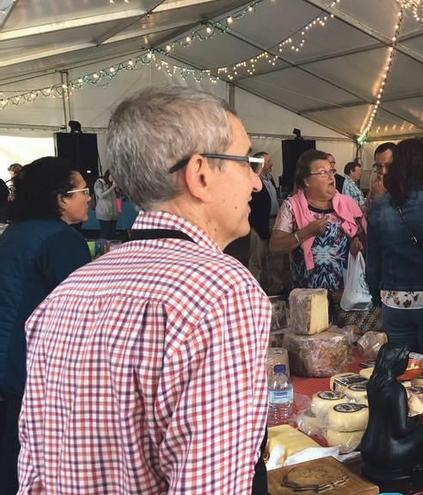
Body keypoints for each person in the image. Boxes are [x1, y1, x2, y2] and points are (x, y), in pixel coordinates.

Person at [17, 87, 271, 494]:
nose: (256, 184)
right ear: (200, 173)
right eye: (247, 162)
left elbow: (33, 469)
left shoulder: (68, 292)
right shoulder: (221, 291)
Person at [0, 157, 91, 494]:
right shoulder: (61, 240)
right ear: (60, 198)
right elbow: (82, 312)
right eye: (82, 191)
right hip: (30, 364)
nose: (89, 197)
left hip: (10, 357)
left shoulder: (17, 231)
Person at [366, 137, 423, 359]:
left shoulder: (381, 205)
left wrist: (377, 296)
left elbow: (372, 259)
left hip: (393, 298)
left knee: (401, 367)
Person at [270, 150, 365, 304]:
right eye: (323, 172)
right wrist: (305, 233)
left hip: (343, 294)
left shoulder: (347, 204)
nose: (331, 177)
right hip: (307, 297)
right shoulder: (291, 206)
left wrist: (357, 242)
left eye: (331, 171)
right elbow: (275, 246)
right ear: (306, 180)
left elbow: (361, 236)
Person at [248, 151, 285, 294]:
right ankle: (254, 289)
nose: (271, 164)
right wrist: (257, 226)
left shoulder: (270, 179)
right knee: (257, 258)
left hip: (274, 221)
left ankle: (276, 286)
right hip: (259, 224)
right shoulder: (254, 180)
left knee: (275, 256)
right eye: (268, 161)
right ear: (260, 164)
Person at [93, 170, 118, 238]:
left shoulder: (111, 184)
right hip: (104, 213)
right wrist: (112, 187)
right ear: (108, 175)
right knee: (105, 233)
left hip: (113, 213)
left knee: (113, 234)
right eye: (112, 176)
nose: (113, 178)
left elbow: (117, 198)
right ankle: (102, 247)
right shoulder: (99, 182)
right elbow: (101, 195)